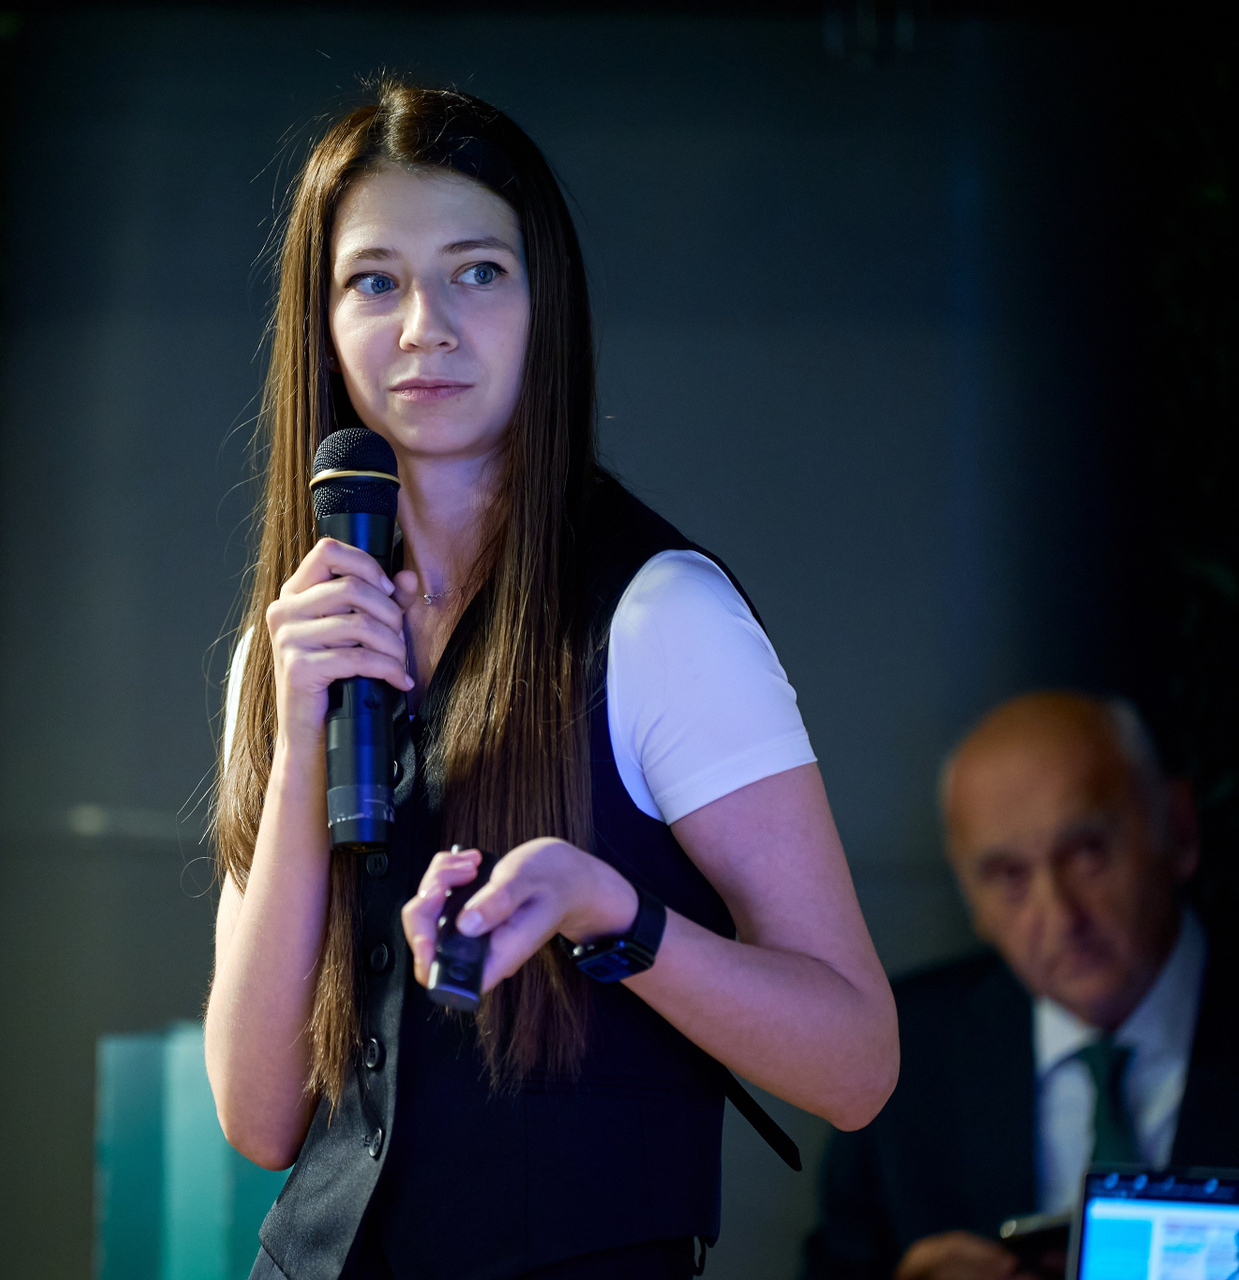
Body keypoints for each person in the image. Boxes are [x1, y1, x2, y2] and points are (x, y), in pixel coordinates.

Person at [203, 82, 898, 1280]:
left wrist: (613, 913)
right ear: (321, 318)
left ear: (546, 304)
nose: (425, 326)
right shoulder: (295, 640)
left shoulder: (660, 615)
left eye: (477, 272)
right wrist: (305, 733)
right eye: (375, 281)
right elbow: (260, 1114)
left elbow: (857, 1064)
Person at [804, 691, 1239, 1280]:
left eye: (1087, 853)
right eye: (1009, 876)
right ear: (971, 900)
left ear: (1179, 831)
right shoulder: (903, 1057)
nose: (1060, 917)